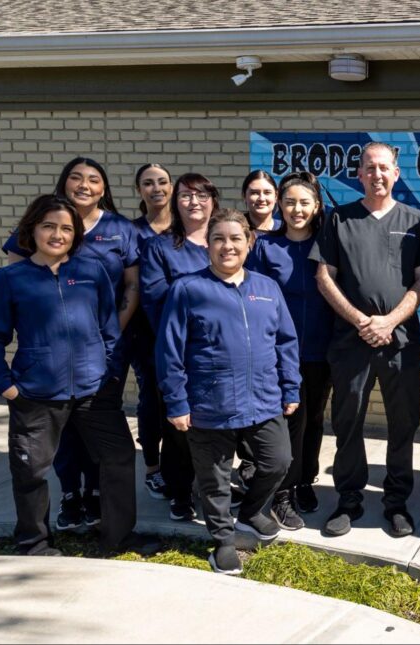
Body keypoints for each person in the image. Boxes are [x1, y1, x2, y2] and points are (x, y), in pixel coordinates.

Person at [0, 194, 156, 556]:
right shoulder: (11, 278)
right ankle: (34, 542)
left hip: (94, 391)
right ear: (33, 230)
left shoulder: (90, 271)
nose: (57, 234)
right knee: (31, 471)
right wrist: (6, 386)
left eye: (66, 228)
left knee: (120, 457)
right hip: (37, 394)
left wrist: (106, 368)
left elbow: (109, 325)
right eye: (48, 226)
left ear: (76, 235)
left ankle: (118, 537)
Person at [157, 209, 299, 575]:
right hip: (211, 403)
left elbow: (286, 342)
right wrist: (177, 401)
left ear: (249, 243)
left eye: (236, 238)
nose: (227, 246)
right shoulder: (187, 289)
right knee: (215, 480)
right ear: (207, 244)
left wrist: (290, 387)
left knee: (278, 461)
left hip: (264, 398)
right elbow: (169, 351)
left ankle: (251, 513)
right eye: (219, 238)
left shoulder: (267, 289)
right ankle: (221, 541)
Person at [2, 157, 140, 533]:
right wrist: (6, 381)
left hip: (99, 356)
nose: (84, 184)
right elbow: (15, 291)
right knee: (55, 437)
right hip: (45, 363)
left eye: (94, 179)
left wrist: (106, 349)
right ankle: (69, 495)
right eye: (76, 177)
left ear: (104, 187)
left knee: (101, 433)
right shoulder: (33, 239)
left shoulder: (117, 231)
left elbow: (130, 287)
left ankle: (97, 498)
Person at [311, 142, 420, 538]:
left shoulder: (416, 220)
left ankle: (396, 502)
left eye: (384, 168)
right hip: (350, 342)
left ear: (396, 174)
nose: (377, 174)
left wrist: (390, 321)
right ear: (359, 173)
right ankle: (348, 500)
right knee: (348, 422)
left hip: (400, 343)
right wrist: (363, 320)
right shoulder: (338, 220)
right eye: (369, 167)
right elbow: (324, 276)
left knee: (404, 423)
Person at [247, 172, 335, 529]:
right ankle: (281, 490)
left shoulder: (328, 245)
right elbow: (252, 298)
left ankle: (304, 481)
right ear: (279, 205)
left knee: (313, 419)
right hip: (279, 353)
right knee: (286, 422)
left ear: (316, 207)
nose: (297, 209)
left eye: (304, 202)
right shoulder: (265, 247)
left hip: (321, 350)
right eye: (290, 202)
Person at [140, 173, 221, 522]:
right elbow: (157, 302)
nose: (194, 202)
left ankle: (214, 487)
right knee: (178, 428)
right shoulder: (161, 247)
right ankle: (180, 492)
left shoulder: (227, 241)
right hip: (180, 353)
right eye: (186, 196)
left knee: (217, 426)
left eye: (202, 195)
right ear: (176, 202)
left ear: (213, 201)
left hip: (222, 354)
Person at [131, 163, 174, 499]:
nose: (156, 188)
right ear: (139, 190)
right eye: (148, 183)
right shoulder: (132, 232)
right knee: (152, 399)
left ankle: (181, 466)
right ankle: (153, 467)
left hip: (183, 332)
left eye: (162, 182)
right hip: (144, 331)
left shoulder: (186, 230)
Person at [242, 170, 280, 235]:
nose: (261, 198)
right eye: (254, 193)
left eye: (267, 192)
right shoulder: (236, 229)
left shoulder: (286, 230)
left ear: (276, 196)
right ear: (244, 196)